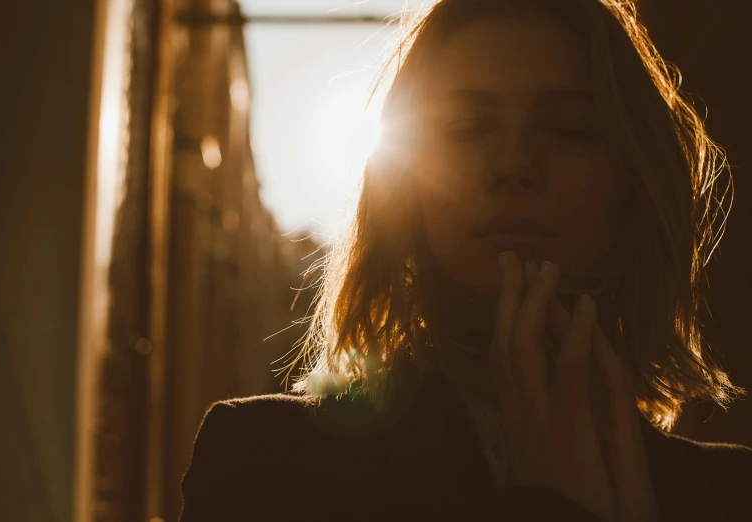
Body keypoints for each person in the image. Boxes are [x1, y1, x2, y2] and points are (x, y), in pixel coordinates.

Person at [179, 0, 751, 520]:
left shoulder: (730, 492)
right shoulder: (262, 463)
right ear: (405, 184)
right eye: (466, 128)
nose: (512, 163)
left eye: (568, 129)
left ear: (634, 179)